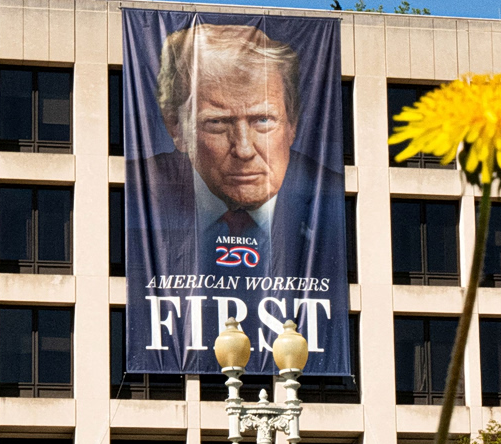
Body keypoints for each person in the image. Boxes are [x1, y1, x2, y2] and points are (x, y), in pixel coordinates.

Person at [131, 23, 344, 278]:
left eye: (263, 120)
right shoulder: (135, 194)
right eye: (217, 122)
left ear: (292, 124)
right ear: (176, 128)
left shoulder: (334, 201)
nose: (243, 150)